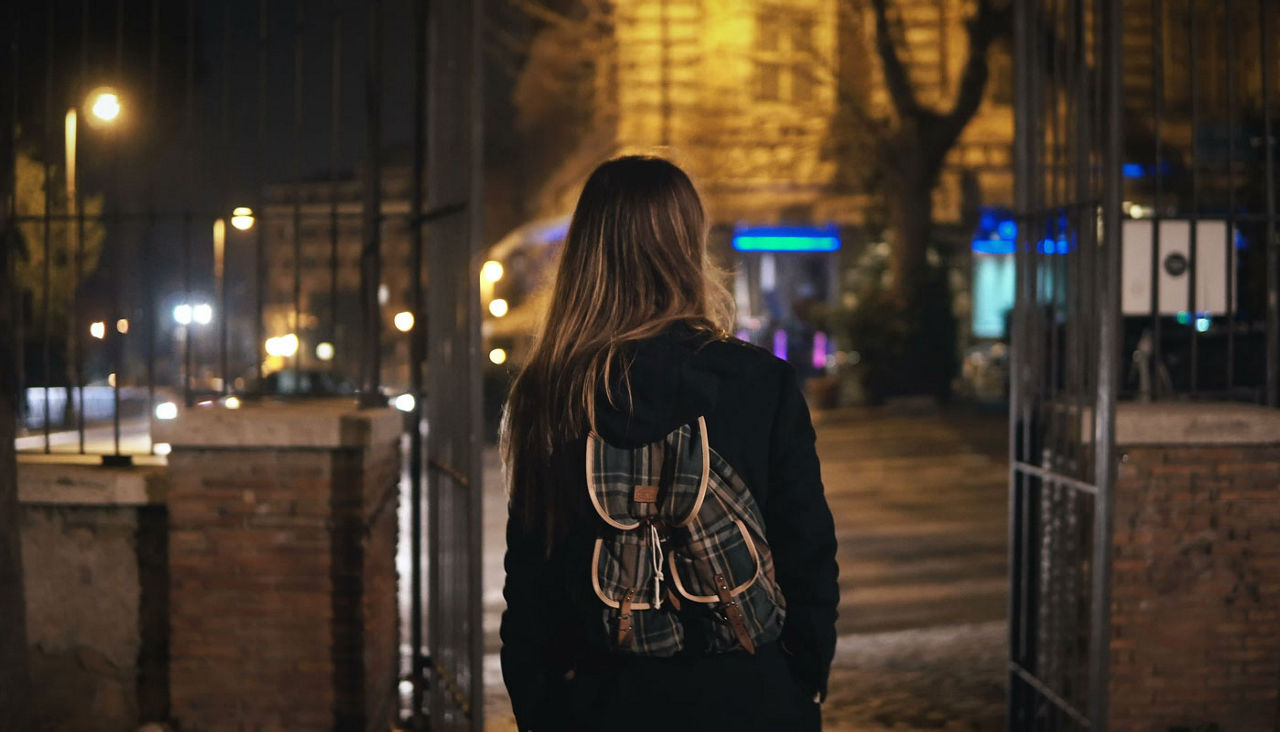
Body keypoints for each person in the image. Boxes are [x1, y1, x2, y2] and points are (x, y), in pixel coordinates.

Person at [500, 156, 839, 731]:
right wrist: (799, 681)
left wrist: (544, 709)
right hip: (749, 698)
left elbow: (531, 587)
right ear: (688, 246)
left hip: (603, 702)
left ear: (585, 253)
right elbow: (808, 555)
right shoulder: (759, 382)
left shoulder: (549, 395)